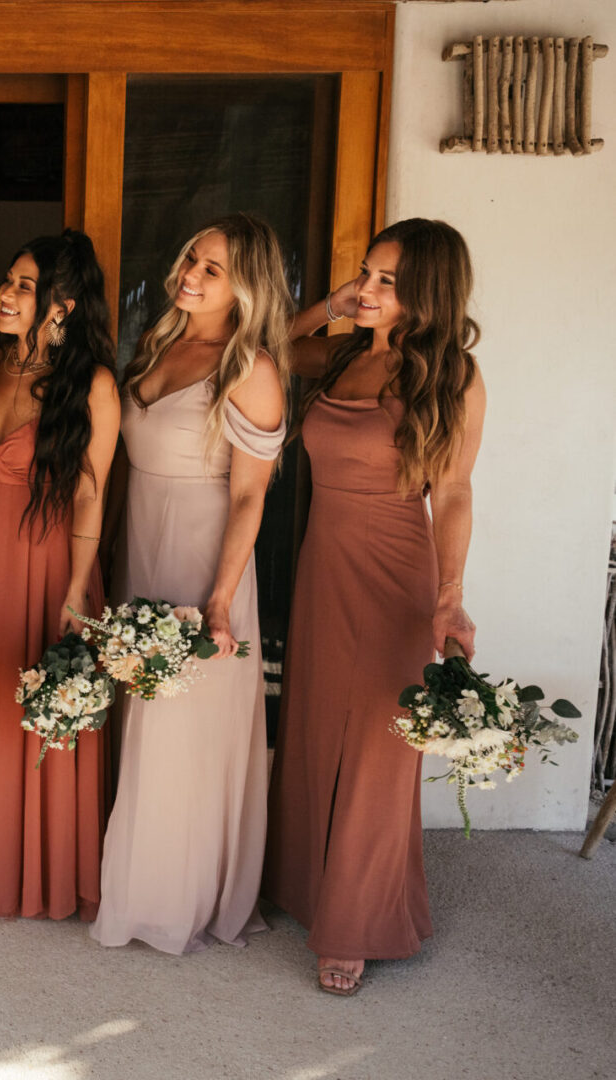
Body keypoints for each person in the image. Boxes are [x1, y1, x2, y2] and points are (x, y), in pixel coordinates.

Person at [265, 218, 485, 996]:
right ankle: (304, 885)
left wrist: (450, 591)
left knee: (378, 743)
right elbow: (265, 349)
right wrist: (332, 304)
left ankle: (357, 921)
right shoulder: (345, 352)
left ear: (427, 290)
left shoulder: (450, 375)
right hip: (323, 563)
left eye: (387, 280)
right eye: (366, 272)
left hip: (397, 571)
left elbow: (452, 490)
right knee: (320, 720)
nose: (368, 288)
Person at [89, 212, 290, 955]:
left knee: (178, 723)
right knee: (132, 710)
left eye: (211, 269)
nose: (190, 275)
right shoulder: (157, 345)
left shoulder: (251, 369)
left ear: (245, 288)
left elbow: (248, 497)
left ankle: (166, 897)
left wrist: (216, 600)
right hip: (139, 541)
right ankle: (123, 869)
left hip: (203, 558)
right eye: (190, 259)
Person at [0, 230, 119, 921]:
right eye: (8, 279)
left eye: (25, 285)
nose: (5, 292)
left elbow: (90, 493)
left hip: (52, 558)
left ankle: (52, 870)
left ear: (62, 305)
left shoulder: (92, 385)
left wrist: (76, 587)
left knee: (38, 697)